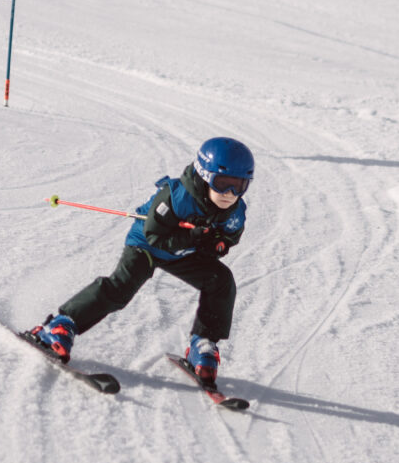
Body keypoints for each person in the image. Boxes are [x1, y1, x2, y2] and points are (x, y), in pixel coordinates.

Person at [28, 137, 254, 385]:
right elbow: (154, 236)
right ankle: (60, 326)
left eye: (239, 186)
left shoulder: (236, 211)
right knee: (122, 286)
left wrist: (216, 244)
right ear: (204, 175)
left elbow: (230, 237)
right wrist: (190, 236)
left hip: (184, 253)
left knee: (220, 281)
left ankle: (203, 343)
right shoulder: (175, 197)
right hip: (146, 246)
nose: (230, 194)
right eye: (222, 183)